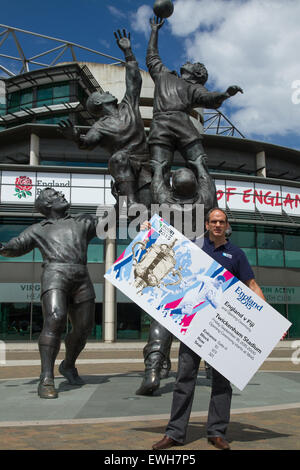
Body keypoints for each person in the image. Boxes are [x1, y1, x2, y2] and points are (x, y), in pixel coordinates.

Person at [152, 207, 265, 450]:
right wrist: (146, 231)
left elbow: (252, 284)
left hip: (223, 329)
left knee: (222, 382)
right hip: (194, 326)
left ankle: (217, 432)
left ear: (226, 226)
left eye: (221, 222)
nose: (217, 225)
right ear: (207, 225)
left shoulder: (236, 254)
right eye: (213, 221)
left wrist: (267, 319)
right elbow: (169, 252)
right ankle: (174, 433)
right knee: (184, 379)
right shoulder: (194, 248)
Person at [0, 188, 99, 399]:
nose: (61, 195)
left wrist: (122, 193)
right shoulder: (38, 229)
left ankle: (68, 365)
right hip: (55, 274)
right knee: (55, 318)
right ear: (47, 206)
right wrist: (2, 247)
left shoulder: (82, 221)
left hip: (81, 275)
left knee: (84, 328)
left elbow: (110, 223)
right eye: (54, 195)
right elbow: (15, 246)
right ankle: (46, 377)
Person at [136, 155, 218, 395]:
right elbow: (208, 184)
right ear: (195, 187)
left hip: (169, 266)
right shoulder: (204, 201)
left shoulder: (164, 203)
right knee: (204, 318)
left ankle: (152, 369)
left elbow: (156, 187)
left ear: (174, 188)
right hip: (199, 267)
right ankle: (212, 369)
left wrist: (160, 168)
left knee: (162, 318)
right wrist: (201, 164)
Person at [59, 30, 151, 209]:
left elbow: (134, 81)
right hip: (127, 167)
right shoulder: (99, 126)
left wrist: (128, 52)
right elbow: (88, 142)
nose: (107, 91)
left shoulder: (128, 106)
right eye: (102, 93)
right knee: (118, 157)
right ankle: (130, 203)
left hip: (148, 164)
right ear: (99, 102)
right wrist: (77, 137)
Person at [146, 16, 243, 184]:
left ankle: (208, 207)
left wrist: (225, 94)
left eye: (193, 64)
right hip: (160, 125)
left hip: (183, 125)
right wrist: (154, 31)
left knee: (200, 166)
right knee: (158, 170)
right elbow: (152, 57)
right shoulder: (163, 75)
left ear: (198, 74)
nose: (188, 61)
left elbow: (208, 98)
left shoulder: (195, 88)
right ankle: (156, 208)